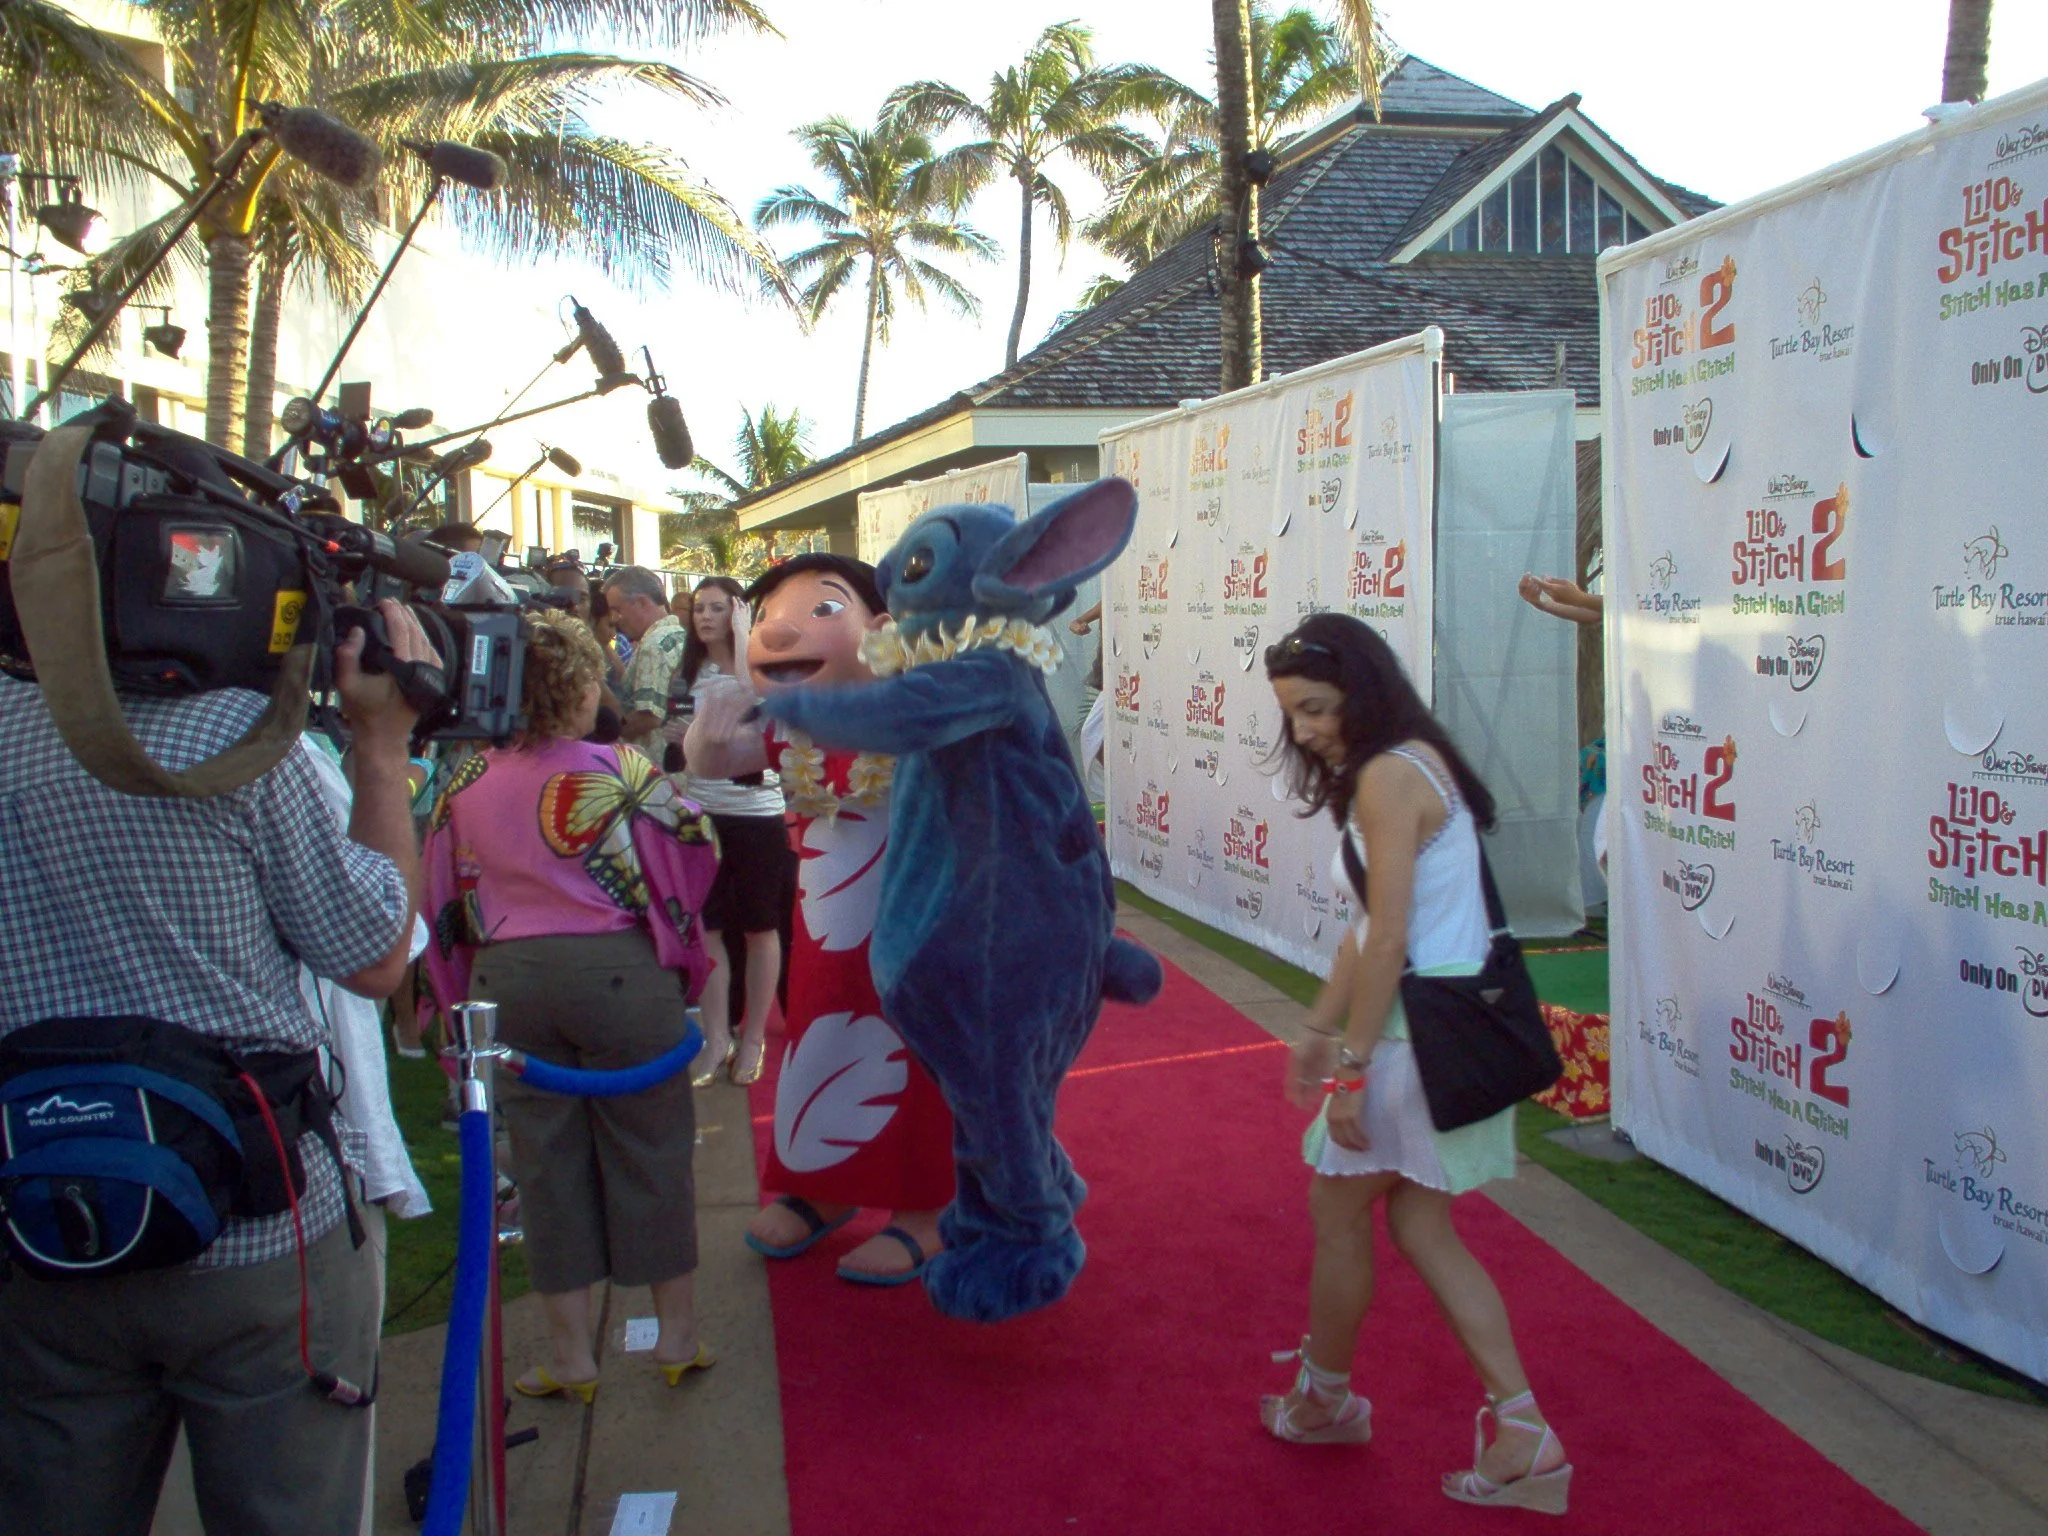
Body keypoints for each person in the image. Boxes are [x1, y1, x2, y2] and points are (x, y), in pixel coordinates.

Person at [0, 598, 431, 1536]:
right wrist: (383, 750)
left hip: (39, 1224)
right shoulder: (235, 735)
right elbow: (373, 952)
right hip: (259, 1234)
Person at [1260, 614, 1571, 1516]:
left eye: (1316, 707)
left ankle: (1324, 1400)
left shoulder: (1391, 775)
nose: (1307, 730)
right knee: (1421, 1229)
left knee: (1339, 1205)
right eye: (1293, 715)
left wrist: (1349, 1064)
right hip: (1433, 1025)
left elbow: (1390, 934)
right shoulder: (1407, 762)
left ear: (1363, 687)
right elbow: (1374, 925)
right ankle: (1520, 1428)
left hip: (1414, 1036)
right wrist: (1322, 1027)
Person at [422, 613, 720, 1399]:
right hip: (617, 974)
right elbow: (694, 853)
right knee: (652, 1152)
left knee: (546, 1170)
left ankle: (570, 1356)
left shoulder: (466, 778)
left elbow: (438, 888)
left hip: (507, 980)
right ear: (583, 685)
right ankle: (677, 1338)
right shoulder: (621, 768)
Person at [687, 554, 954, 1285]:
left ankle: (929, 1211)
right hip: (826, 922)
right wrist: (720, 717)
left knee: (918, 1055)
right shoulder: (795, 726)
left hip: (918, 924)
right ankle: (826, 1185)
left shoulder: (925, 708)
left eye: (822, 610)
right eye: (769, 614)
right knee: (822, 1035)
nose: (781, 630)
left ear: (882, 628)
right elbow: (711, 764)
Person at [667, 575, 793, 1087]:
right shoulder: (688, 671)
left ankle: (754, 1036)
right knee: (710, 926)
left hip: (758, 811)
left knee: (761, 926)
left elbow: (764, 696)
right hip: (702, 810)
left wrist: (745, 638)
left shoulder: (758, 663)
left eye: (718, 608)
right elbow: (676, 742)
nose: (706, 617)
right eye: (700, 608)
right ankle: (716, 1037)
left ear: (738, 612)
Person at [603, 565, 688, 751]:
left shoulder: (653, 645)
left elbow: (649, 717)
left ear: (642, 602)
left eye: (617, 609)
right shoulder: (679, 634)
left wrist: (610, 741)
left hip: (656, 764)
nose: (614, 618)